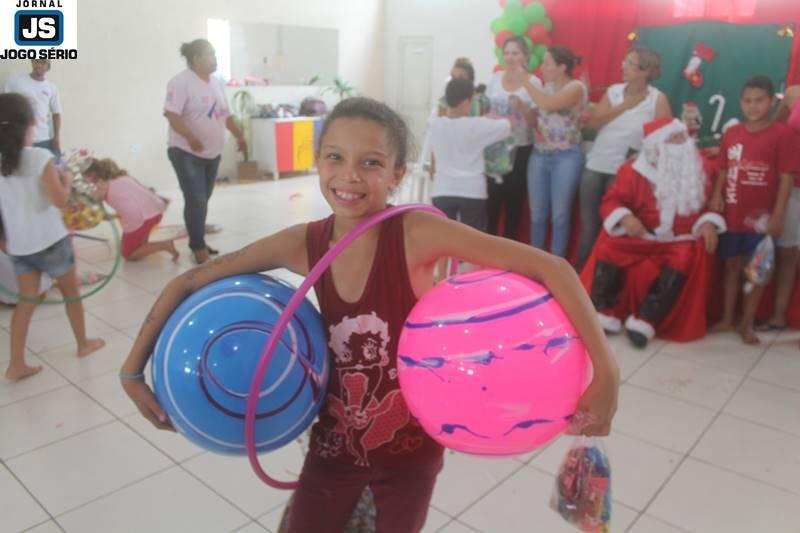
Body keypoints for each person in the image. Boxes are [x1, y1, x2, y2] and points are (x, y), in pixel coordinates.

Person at [120, 97, 619, 533]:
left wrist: (606, 373)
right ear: (318, 161)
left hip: (412, 457)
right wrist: (131, 371)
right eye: (335, 157)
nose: (350, 176)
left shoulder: (416, 234)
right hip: (332, 449)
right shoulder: (304, 243)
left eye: (372, 163)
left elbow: (552, 268)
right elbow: (189, 281)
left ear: (398, 174)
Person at [584, 117, 725, 348]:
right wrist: (626, 218)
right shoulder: (634, 171)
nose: (682, 142)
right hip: (642, 236)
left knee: (683, 257)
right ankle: (604, 311)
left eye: (682, 136)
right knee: (609, 247)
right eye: (673, 138)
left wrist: (708, 222)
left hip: (679, 240)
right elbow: (611, 201)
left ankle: (646, 319)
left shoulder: (701, 167)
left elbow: (715, 204)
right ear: (656, 146)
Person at [0, 93, 105, 382]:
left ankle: (16, 364)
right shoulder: (39, 157)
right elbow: (59, 199)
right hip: (51, 241)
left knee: (26, 302)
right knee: (71, 293)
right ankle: (83, 344)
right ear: (29, 125)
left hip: (21, 247)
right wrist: (66, 180)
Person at [709, 76, 797, 344]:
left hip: (761, 219)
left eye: (759, 100)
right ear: (740, 103)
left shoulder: (782, 135)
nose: (753, 106)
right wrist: (717, 195)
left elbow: (786, 178)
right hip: (733, 213)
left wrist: (778, 215)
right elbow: (723, 168)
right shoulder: (732, 133)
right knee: (731, 265)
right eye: (747, 101)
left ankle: (746, 323)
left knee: (756, 271)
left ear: (771, 102)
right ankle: (727, 318)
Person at [576, 48, 672, 271]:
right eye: (625, 61)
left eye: (630, 63)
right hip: (596, 165)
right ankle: (579, 275)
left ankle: (599, 279)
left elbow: (665, 138)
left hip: (624, 172)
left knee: (613, 229)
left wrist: (645, 154)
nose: (623, 66)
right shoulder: (614, 91)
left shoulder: (657, 99)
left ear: (645, 71)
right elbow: (594, 122)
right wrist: (624, 106)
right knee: (589, 228)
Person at [164, 38, 247, 265]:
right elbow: (171, 114)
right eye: (210, 54)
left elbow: (225, 115)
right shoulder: (180, 82)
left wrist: (240, 136)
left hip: (212, 153)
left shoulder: (217, 83)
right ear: (196, 58)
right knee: (196, 199)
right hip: (185, 152)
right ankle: (198, 247)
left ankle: (198, 240)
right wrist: (191, 137)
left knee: (202, 199)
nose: (215, 59)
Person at [521, 46, 588, 257]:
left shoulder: (576, 87)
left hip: (566, 157)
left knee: (559, 215)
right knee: (537, 215)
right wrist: (524, 110)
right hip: (539, 155)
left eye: (547, 63)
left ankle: (557, 264)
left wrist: (524, 80)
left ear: (562, 67)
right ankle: (536, 261)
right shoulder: (544, 88)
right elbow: (535, 119)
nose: (542, 67)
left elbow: (549, 105)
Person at [429, 78, 512, 232]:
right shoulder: (476, 125)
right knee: (472, 241)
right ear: (466, 102)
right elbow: (508, 125)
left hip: (442, 189)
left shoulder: (434, 125)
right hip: (473, 191)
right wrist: (490, 117)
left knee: (443, 239)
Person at [486, 36, 543, 240]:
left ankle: (509, 252)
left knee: (513, 204)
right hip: (495, 149)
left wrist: (524, 107)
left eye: (515, 53)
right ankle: (486, 250)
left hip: (520, 149)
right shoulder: (495, 78)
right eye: (507, 53)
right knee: (491, 204)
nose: (510, 57)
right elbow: (484, 111)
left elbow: (535, 123)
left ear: (525, 57)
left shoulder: (534, 82)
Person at [757, 84, 800, 331]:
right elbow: (768, 133)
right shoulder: (793, 94)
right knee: (787, 252)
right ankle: (778, 315)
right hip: (793, 186)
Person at [83, 158, 178, 262]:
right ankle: (145, 248)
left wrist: (106, 216)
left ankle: (164, 245)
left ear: (93, 175)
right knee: (141, 243)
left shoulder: (100, 187)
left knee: (128, 253)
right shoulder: (123, 176)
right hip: (156, 210)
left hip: (141, 218)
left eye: (86, 177)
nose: (86, 180)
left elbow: (100, 213)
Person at [4, 59, 62, 162]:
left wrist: (57, 136)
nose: (39, 65)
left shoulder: (51, 88)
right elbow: (6, 105)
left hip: (43, 139)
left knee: (52, 166)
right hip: (21, 139)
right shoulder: (16, 82)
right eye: (36, 61)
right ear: (32, 62)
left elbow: (56, 113)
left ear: (48, 66)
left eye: (43, 62)